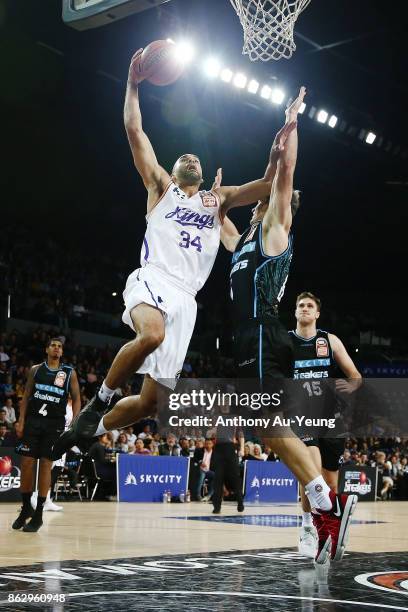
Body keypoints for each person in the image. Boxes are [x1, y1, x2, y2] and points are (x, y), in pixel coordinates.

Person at [51, 49, 296, 459]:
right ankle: (99, 403)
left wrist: (277, 149)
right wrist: (132, 84)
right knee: (152, 334)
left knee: (150, 403)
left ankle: (88, 432)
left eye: (196, 157)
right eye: (185, 156)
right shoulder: (160, 188)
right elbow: (135, 131)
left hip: (187, 299)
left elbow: (270, 184)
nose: (191, 158)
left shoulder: (217, 201)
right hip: (154, 277)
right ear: (177, 169)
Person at [219, 87, 358, 564]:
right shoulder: (241, 244)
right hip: (244, 337)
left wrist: (290, 122)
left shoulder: (275, 230)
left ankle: (323, 501)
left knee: (267, 421)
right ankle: (321, 502)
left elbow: (284, 176)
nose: (259, 203)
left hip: (263, 331)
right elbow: (219, 218)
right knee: (264, 426)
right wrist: (217, 197)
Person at [288, 291, 362, 558]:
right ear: (295, 312)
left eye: (310, 305)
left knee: (330, 483)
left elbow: (355, 375)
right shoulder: (286, 342)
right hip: (301, 415)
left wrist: (352, 384)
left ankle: (328, 526)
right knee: (310, 468)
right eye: (301, 305)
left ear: (317, 313)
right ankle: (306, 525)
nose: (305, 308)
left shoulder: (330, 341)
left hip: (330, 418)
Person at [13, 338, 80, 532]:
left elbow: (77, 399)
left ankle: (39, 513)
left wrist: (75, 423)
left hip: (54, 426)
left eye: (59, 346)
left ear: (62, 352)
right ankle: (26, 508)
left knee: (45, 466)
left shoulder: (69, 373)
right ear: (47, 349)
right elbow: (25, 397)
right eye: (53, 345)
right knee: (25, 464)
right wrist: (21, 421)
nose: (57, 348)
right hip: (33, 422)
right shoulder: (36, 370)